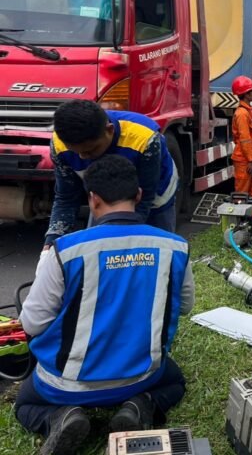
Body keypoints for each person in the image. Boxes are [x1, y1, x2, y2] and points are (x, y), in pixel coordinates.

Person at [16, 156, 194, 455]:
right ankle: (140, 405)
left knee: (25, 403)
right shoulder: (174, 246)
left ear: (93, 199)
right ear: (138, 195)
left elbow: (32, 324)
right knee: (174, 383)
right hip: (141, 377)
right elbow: (186, 305)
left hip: (66, 384)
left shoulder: (66, 250)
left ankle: (60, 416)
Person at [44, 101, 178, 253]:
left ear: (109, 130)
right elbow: (66, 197)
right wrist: (53, 239)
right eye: (75, 152)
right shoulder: (59, 144)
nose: (83, 157)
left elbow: (145, 197)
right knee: (98, 253)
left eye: (91, 150)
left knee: (158, 252)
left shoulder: (144, 139)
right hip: (103, 195)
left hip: (154, 196)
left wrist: (125, 240)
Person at [231, 76, 252, 216]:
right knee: (242, 192)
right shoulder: (242, 114)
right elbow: (245, 139)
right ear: (246, 94)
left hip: (251, 157)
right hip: (244, 159)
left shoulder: (248, 111)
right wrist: (250, 160)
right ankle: (241, 220)